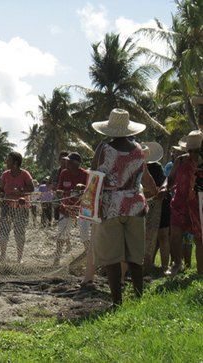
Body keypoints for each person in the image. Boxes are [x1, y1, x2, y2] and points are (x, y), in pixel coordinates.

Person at [91, 109, 157, 306]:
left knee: (112, 257)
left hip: (111, 206)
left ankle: (117, 301)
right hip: (135, 204)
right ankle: (138, 297)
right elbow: (144, 177)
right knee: (134, 256)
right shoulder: (139, 149)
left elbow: (95, 176)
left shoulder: (105, 149)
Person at [166, 130, 203, 275]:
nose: (193, 154)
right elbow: (171, 178)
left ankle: (200, 270)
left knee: (199, 238)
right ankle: (176, 264)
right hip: (180, 203)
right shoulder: (180, 160)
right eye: (191, 150)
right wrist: (165, 188)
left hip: (198, 203)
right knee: (175, 234)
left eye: (197, 150)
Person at [54, 153, 91, 276]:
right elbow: (59, 189)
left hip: (82, 210)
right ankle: (56, 261)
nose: (66, 164)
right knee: (61, 234)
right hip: (66, 209)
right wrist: (58, 194)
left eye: (69, 162)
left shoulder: (86, 175)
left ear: (76, 164)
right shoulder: (64, 173)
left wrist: (83, 188)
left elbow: (91, 191)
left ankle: (91, 262)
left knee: (85, 234)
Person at [0, 151, 35, 263]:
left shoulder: (25, 174)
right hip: (6, 206)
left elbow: (31, 189)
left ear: (15, 163)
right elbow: (1, 190)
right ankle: (3, 255)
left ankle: (19, 258)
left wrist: (21, 191)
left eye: (8, 160)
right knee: (3, 231)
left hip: (21, 207)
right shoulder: (5, 175)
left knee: (19, 232)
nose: (6, 162)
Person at [140, 142, 167, 271]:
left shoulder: (156, 167)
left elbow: (159, 186)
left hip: (155, 204)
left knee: (155, 235)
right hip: (142, 203)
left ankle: (151, 264)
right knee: (143, 235)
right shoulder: (138, 165)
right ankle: (143, 263)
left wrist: (153, 192)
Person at [49, 151, 69, 221]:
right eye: (62, 159)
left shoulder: (71, 171)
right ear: (59, 160)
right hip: (57, 197)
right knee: (57, 217)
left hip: (69, 197)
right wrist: (52, 186)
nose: (64, 161)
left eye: (66, 159)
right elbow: (48, 184)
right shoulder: (55, 171)